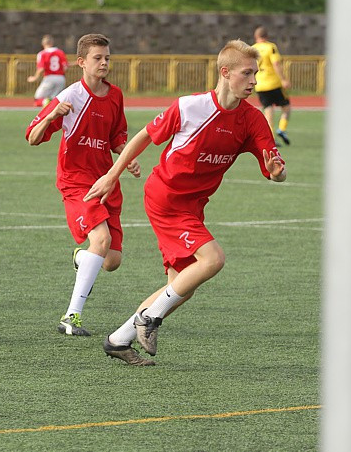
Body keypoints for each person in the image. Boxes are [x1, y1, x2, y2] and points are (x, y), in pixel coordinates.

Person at [85, 40, 287, 366]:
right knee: (213, 259)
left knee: (181, 286)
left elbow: (274, 169)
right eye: (247, 73)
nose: (254, 81)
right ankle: (148, 320)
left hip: (193, 205)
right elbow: (144, 137)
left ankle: (118, 340)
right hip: (165, 197)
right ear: (225, 73)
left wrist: (278, 173)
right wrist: (112, 175)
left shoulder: (252, 121)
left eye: (256, 73)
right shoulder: (191, 107)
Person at [26, 33, 141, 336]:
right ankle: (71, 317)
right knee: (100, 241)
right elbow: (32, 137)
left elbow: (117, 137)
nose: (104, 63)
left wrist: (125, 157)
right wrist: (52, 113)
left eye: (107, 58)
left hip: (106, 182)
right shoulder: (69, 96)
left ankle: (82, 257)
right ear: (81, 63)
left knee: (111, 261)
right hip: (76, 182)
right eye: (97, 58)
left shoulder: (115, 95)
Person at [252, 26, 291, 146]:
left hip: (260, 85)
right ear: (266, 36)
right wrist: (284, 79)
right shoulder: (271, 47)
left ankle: (271, 139)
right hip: (273, 83)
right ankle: (282, 129)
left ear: (256, 37)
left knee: (268, 111)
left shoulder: (252, 49)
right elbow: (276, 64)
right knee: (286, 107)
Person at [27, 34, 68, 107]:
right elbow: (65, 67)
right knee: (55, 101)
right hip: (61, 78)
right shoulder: (60, 52)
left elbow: (41, 68)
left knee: (37, 100)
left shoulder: (42, 53)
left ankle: (46, 105)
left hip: (49, 78)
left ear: (43, 43)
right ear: (52, 43)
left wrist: (35, 77)